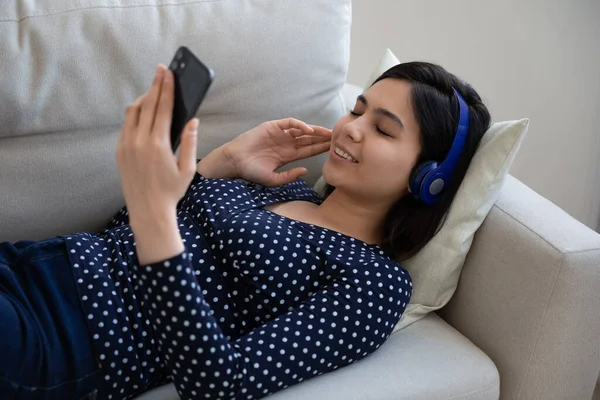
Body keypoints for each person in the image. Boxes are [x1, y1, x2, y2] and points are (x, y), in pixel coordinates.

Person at [0, 61, 490, 400]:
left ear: (427, 179)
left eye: (383, 130)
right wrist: (224, 160)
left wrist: (157, 216)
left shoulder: (374, 284)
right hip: (34, 263)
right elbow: (126, 235)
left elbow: (220, 385)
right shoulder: (285, 190)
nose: (351, 128)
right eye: (357, 110)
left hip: (64, 340)